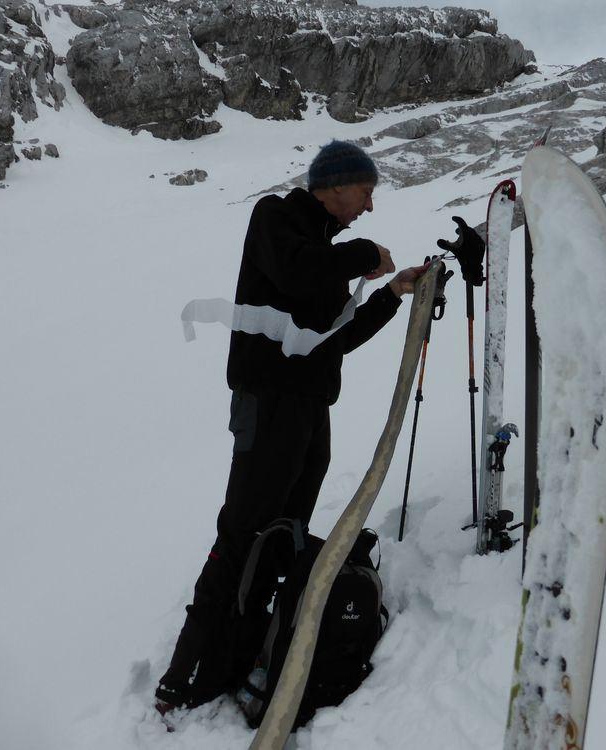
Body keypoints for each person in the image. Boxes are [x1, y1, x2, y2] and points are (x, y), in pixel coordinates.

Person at [156, 140, 427, 713]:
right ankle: (188, 674)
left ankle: (248, 650)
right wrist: (361, 254)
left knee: (283, 534)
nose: (370, 206)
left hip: (307, 410)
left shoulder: (325, 253)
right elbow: (298, 272)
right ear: (333, 184)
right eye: (366, 191)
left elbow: (336, 337)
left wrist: (391, 293)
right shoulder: (275, 219)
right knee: (243, 532)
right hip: (269, 403)